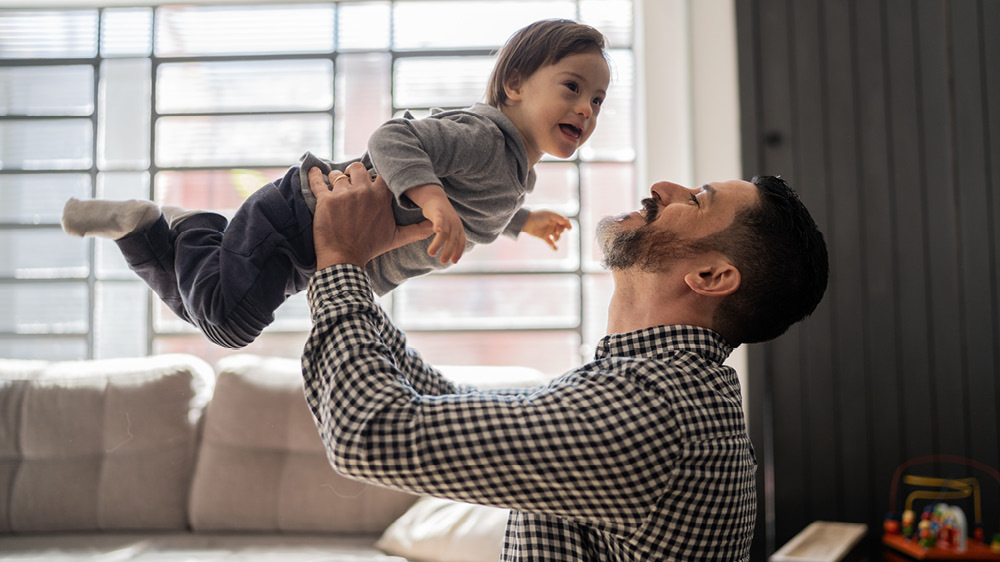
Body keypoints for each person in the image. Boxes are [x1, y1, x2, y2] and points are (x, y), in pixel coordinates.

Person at [300, 164, 829, 560]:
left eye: (696, 199)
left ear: (712, 276)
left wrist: (339, 262)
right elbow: (441, 405)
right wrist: (351, 268)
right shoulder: (649, 387)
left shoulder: (651, 412)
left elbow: (370, 432)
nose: (664, 187)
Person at [60, 19, 610, 349]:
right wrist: (433, 199)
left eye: (598, 100)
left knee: (203, 307)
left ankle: (141, 230)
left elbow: (474, 200)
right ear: (514, 83)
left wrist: (523, 221)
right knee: (229, 322)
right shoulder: (483, 138)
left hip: (325, 249)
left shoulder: (514, 172)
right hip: (304, 214)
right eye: (572, 87)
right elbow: (392, 139)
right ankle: (188, 225)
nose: (586, 108)